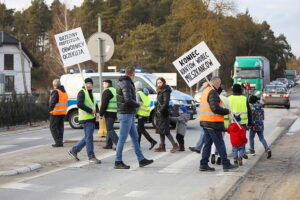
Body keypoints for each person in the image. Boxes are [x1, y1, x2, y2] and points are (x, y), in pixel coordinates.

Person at [114, 66, 153, 169]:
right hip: (125, 114)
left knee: (135, 138)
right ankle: (118, 161)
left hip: (128, 114)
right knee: (122, 139)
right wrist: (138, 104)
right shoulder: (126, 83)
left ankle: (141, 160)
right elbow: (128, 99)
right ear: (133, 74)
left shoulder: (126, 82)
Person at [199, 77, 237, 172]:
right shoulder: (212, 92)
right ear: (217, 83)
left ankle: (203, 164)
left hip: (206, 121)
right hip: (213, 122)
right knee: (219, 143)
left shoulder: (205, 91)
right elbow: (215, 108)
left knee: (207, 144)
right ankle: (226, 163)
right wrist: (226, 111)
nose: (220, 85)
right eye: (219, 83)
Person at [68, 78, 101, 164]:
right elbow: (79, 104)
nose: (89, 85)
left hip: (91, 118)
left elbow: (95, 105)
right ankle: (91, 156)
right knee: (89, 138)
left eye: (90, 83)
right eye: (87, 83)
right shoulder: (82, 92)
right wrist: (91, 111)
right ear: (84, 84)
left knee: (87, 137)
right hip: (85, 119)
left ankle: (74, 150)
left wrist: (97, 112)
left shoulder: (91, 94)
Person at [154, 77, 179, 153]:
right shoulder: (160, 91)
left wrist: (160, 110)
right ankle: (162, 146)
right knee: (160, 130)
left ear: (164, 82)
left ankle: (175, 145)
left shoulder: (166, 91)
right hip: (159, 113)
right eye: (158, 83)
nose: (159, 84)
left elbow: (165, 103)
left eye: (160, 82)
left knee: (166, 131)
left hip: (164, 113)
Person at [228, 84, 252, 159]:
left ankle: (235, 155)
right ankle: (242, 153)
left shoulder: (229, 98)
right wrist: (250, 122)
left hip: (232, 123)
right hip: (243, 123)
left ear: (233, 90)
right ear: (240, 90)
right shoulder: (244, 98)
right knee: (242, 137)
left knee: (234, 138)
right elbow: (249, 111)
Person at [135, 81, 157, 150]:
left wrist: (135, 113)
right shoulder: (145, 94)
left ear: (136, 88)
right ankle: (137, 144)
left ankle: (152, 141)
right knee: (139, 129)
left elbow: (137, 105)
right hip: (146, 113)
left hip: (141, 113)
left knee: (141, 129)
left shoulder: (138, 94)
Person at [189, 82, 209, 154]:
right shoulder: (205, 93)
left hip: (210, 119)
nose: (202, 85)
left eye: (203, 85)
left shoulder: (209, 93)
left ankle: (216, 153)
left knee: (216, 140)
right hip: (206, 118)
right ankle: (198, 147)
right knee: (204, 134)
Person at [99, 79, 119, 150]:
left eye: (104, 84)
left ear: (107, 84)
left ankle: (118, 144)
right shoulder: (114, 90)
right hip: (114, 112)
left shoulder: (107, 91)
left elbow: (104, 104)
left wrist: (100, 114)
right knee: (109, 129)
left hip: (109, 112)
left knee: (110, 129)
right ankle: (108, 144)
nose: (103, 85)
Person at [49, 79, 68, 147]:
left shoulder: (56, 91)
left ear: (54, 85)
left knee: (53, 127)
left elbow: (53, 102)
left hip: (56, 113)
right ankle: (60, 141)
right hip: (63, 112)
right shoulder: (64, 92)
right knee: (60, 127)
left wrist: (50, 109)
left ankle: (58, 142)